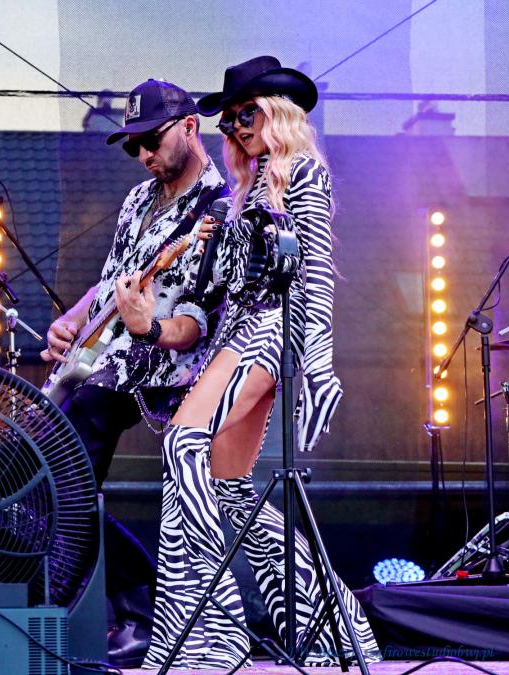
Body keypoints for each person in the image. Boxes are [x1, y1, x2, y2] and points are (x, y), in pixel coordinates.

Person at [143, 56, 380, 669]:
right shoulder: (245, 188)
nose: (236, 127)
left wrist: (319, 361)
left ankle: (208, 639)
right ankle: (341, 631)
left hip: (273, 331)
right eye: (228, 120)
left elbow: (316, 271)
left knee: (183, 445)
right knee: (228, 487)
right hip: (240, 331)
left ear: (277, 112)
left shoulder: (302, 172)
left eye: (246, 114)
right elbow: (228, 282)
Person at [41, 79, 227, 668]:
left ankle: (137, 607)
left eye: (151, 140)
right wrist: (70, 322)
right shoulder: (138, 200)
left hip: (163, 359)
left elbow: (198, 319)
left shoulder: (219, 209)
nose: (143, 154)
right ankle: (125, 604)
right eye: (132, 145)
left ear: (190, 126)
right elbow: (110, 282)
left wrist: (149, 328)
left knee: (69, 458)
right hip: (104, 351)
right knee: (43, 469)